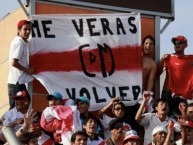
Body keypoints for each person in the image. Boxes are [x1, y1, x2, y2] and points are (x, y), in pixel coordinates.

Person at [8, 19, 34, 109]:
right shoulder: (19, 43)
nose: (28, 32)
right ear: (19, 30)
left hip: (18, 81)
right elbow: (14, 63)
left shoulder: (22, 42)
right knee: (15, 107)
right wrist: (28, 70)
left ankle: (16, 122)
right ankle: (6, 122)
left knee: (26, 101)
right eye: (25, 29)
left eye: (29, 30)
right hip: (16, 82)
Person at [159, 35, 193, 101]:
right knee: (165, 111)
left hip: (182, 95)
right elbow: (158, 73)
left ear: (186, 45)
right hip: (168, 93)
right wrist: (162, 60)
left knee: (181, 111)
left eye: (180, 43)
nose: (177, 45)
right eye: (175, 43)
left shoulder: (191, 59)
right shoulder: (168, 57)